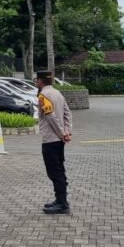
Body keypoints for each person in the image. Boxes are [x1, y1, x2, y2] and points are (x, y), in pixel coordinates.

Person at [36, 70, 72, 214]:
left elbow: (50, 116)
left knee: (54, 172)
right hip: (59, 140)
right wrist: (67, 132)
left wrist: (62, 133)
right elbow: (67, 113)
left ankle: (62, 203)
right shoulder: (58, 93)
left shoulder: (43, 95)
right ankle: (60, 199)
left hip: (51, 139)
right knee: (59, 169)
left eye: (37, 80)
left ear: (40, 81)